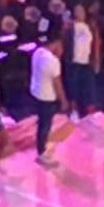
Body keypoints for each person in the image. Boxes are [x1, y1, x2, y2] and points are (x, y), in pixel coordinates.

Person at [29, 37, 67, 168]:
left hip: (36, 93)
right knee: (45, 125)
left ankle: (42, 147)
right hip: (47, 96)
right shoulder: (53, 61)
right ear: (56, 43)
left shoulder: (37, 52)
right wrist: (63, 100)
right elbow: (57, 83)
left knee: (42, 123)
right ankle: (42, 153)